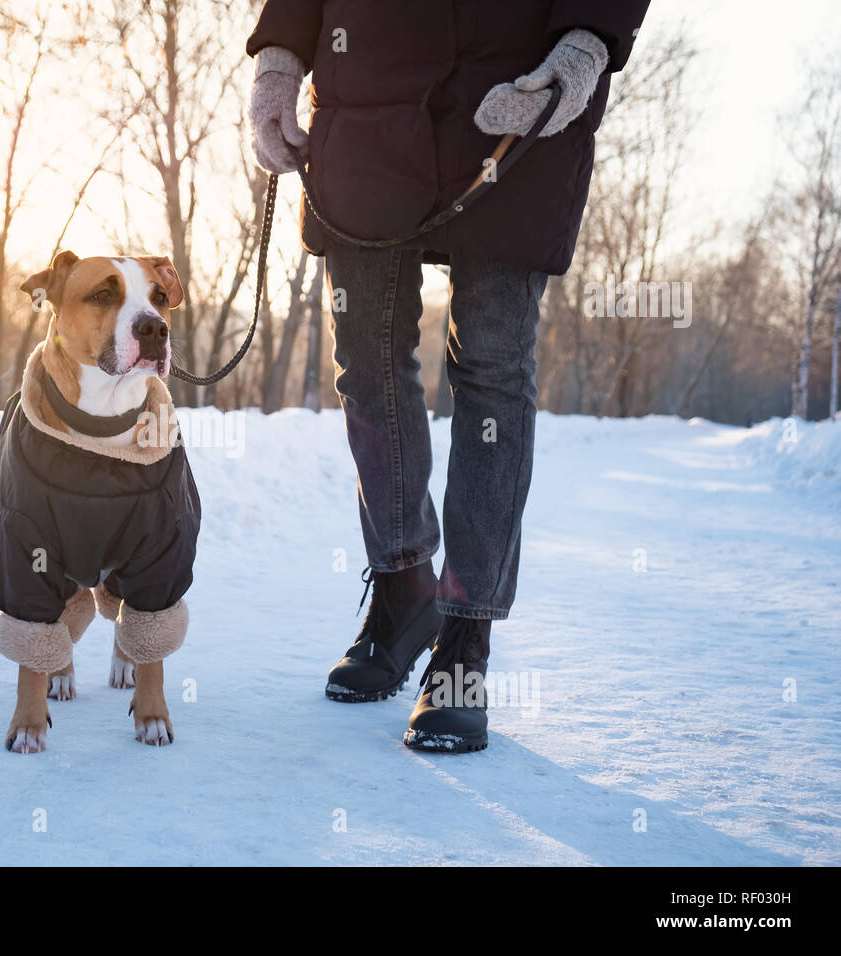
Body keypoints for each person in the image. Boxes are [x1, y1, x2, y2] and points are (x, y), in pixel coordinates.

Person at [246, 0, 650, 752]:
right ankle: (403, 587)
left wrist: (585, 46)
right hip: (367, 91)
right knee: (364, 357)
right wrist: (278, 58)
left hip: (514, 88)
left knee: (492, 369)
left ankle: (465, 638)